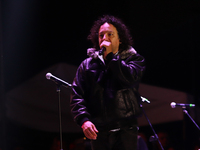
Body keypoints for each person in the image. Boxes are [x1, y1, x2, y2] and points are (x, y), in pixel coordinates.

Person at [70, 15, 146, 150]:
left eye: (110, 34)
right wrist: (84, 120)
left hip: (125, 130)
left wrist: (111, 57)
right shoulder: (87, 65)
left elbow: (129, 80)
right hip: (99, 132)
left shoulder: (134, 60)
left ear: (120, 38)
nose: (105, 38)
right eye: (101, 35)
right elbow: (77, 95)